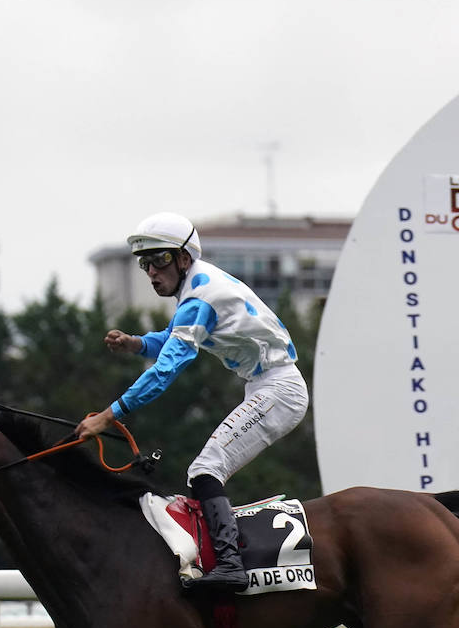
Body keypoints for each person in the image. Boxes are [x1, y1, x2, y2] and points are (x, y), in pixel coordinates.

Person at [75, 212, 309, 593]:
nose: (151, 271)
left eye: (160, 260)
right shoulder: (196, 289)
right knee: (203, 470)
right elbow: (170, 338)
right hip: (266, 386)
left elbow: (165, 371)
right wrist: (135, 343)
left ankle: (230, 565)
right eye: (144, 263)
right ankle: (222, 558)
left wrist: (108, 416)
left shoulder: (202, 296)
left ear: (184, 258)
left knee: (205, 469)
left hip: (279, 390)